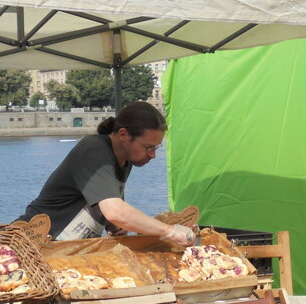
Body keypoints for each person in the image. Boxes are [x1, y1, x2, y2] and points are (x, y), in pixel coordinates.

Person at [18, 101, 195, 246]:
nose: (153, 155)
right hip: (35, 243)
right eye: (148, 147)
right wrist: (170, 231)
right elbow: (115, 211)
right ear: (124, 135)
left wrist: (115, 225)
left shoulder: (126, 158)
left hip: (67, 247)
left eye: (156, 147)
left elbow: (109, 209)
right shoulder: (94, 150)